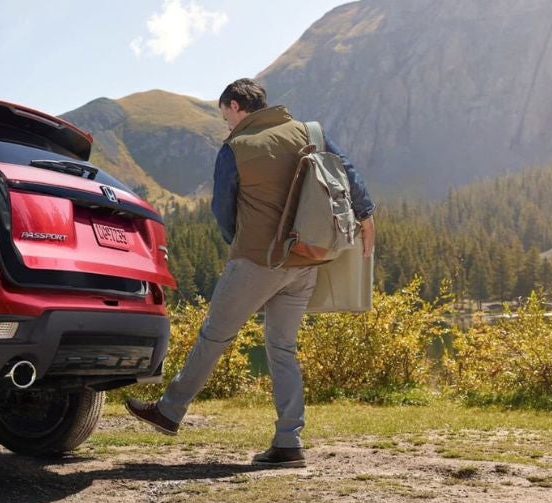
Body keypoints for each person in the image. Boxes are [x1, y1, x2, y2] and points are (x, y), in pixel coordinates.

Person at [124, 78, 375, 467]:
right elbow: (347, 173)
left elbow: (223, 210)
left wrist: (238, 243)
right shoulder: (310, 132)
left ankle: (169, 411)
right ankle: (289, 441)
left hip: (257, 260)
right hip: (305, 261)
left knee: (214, 336)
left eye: (225, 114)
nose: (225, 122)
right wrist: (367, 213)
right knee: (282, 348)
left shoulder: (236, 146)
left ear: (236, 106)